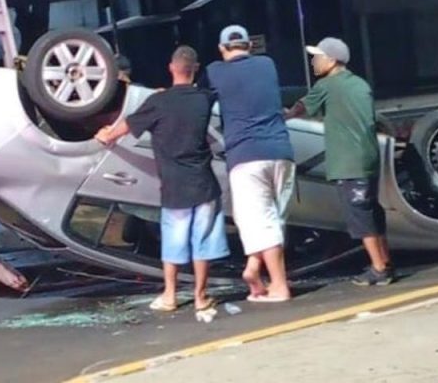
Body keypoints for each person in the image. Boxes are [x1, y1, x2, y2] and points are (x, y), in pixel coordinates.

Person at [95, 46, 228, 312]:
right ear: (196, 69)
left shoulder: (158, 102)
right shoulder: (203, 99)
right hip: (204, 184)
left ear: (171, 68)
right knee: (203, 243)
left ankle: (170, 295)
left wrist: (105, 134)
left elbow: (122, 130)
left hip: (174, 187)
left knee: (174, 242)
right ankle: (201, 297)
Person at [284, 37, 394, 286]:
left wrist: (285, 115)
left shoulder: (326, 86)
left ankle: (378, 269)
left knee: (359, 216)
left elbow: (300, 108)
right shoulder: (360, 84)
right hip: (369, 157)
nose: (314, 61)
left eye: (318, 57)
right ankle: (385, 260)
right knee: (372, 210)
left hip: (348, 160)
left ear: (331, 60)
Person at [203, 25, 294, 303]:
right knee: (273, 219)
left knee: (260, 221)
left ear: (221, 49)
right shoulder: (268, 65)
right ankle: (254, 269)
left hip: (245, 155)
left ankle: (279, 286)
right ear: (250, 45)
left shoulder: (214, 71)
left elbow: (199, 99)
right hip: (281, 151)